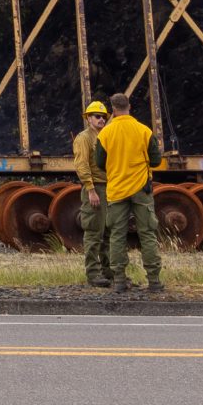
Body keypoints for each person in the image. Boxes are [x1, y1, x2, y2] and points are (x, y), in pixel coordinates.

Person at [89, 91, 163, 292]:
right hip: (141, 188)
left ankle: (120, 280)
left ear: (112, 110)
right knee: (147, 233)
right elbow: (156, 160)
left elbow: (99, 163)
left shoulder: (105, 134)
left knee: (116, 235)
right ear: (129, 106)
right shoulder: (144, 131)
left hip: (116, 189)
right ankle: (154, 281)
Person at [71, 100, 112, 289]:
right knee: (94, 231)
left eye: (104, 116)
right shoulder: (84, 138)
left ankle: (109, 271)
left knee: (108, 233)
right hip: (96, 188)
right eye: (97, 116)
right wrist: (91, 189)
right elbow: (82, 165)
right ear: (88, 118)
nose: (102, 119)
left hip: (110, 187)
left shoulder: (106, 136)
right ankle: (93, 273)